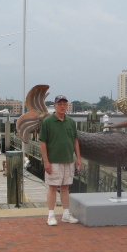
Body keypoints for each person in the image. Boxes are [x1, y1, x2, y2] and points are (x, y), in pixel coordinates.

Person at [39, 94, 82, 226]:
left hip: (68, 160)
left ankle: (66, 214)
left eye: (65, 104)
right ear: (55, 106)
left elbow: (75, 141)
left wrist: (78, 158)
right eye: (60, 104)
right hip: (53, 160)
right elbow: (43, 142)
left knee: (65, 187)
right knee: (52, 187)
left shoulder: (70, 122)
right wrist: (46, 161)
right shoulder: (48, 122)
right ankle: (51, 215)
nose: (63, 107)